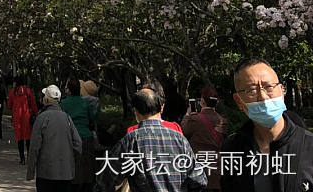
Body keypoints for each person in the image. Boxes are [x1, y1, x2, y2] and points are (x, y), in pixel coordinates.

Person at [220, 56, 313, 191]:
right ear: (238, 101)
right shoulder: (232, 148)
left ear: (282, 91)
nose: (263, 96)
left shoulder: (309, 146)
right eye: (252, 90)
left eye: (269, 86)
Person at [95, 86, 207, 192]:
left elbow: (106, 179)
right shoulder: (179, 139)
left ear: (136, 111)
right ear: (160, 108)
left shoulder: (131, 140)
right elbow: (199, 180)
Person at [27, 84, 83, 192]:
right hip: (66, 174)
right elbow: (78, 143)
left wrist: (30, 172)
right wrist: (70, 161)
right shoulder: (67, 117)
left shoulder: (42, 118)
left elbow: (34, 147)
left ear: (46, 99)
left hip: (46, 173)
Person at [181, 86, 227, 190]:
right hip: (218, 170)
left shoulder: (195, 119)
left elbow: (183, 132)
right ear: (217, 102)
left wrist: (187, 115)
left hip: (199, 171)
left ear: (202, 101)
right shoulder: (222, 121)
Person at [60, 79, 97, 192]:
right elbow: (92, 120)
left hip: (70, 139)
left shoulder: (63, 104)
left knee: (72, 170)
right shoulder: (85, 102)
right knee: (87, 170)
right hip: (86, 138)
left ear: (69, 91)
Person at [9, 74, 38, 165]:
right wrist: (35, 113)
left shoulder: (13, 92)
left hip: (17, 118)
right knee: (28, 138)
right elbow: (33, 104)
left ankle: (22, 159)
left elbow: (9, 105)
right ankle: (29, 157)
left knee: (19, 138)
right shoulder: (27, 91)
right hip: (27, 117)